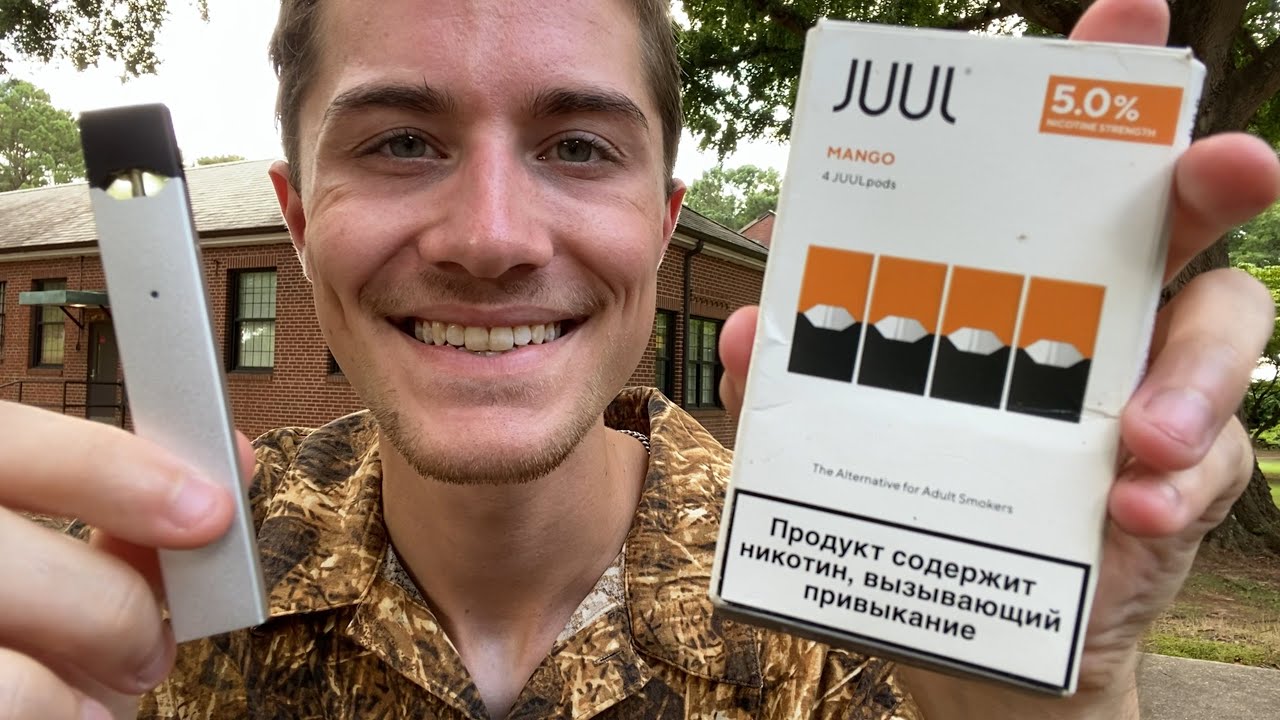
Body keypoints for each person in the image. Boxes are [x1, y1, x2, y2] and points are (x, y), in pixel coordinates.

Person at [2, 0, 1276, 717]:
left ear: (665, 226)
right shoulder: (116, 612)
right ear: (295, 218)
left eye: (577, 147)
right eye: (399, 142)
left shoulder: (862, 627)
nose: (491, 239)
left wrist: (1052, 702)